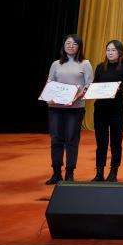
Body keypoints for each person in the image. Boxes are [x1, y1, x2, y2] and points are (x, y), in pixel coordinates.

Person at [44, 34, 93, 184]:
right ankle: (56, 172)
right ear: (63, 46)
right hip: (56, 107)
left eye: (74, 44)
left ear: (79, 47)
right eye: (68, 43)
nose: (71, 46)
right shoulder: (56, 64)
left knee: (71, 139)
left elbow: (89, 85)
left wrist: (77, 96)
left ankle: (70, 173)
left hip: (75, 108)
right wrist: (47, 96)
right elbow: (50, 82)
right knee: (56, 139)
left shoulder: (85, 63)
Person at [89, 40, 123, 182]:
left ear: (120, 52)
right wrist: (92, 90)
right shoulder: (100, 67)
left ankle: (113, 172)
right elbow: (95, 84)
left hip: (117, 109)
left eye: (113, 50)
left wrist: (118, 90)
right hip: (100, 109)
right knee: (101, 142)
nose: (110, 52)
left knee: (115, 142)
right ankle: (99, 172)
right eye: (108, 50)